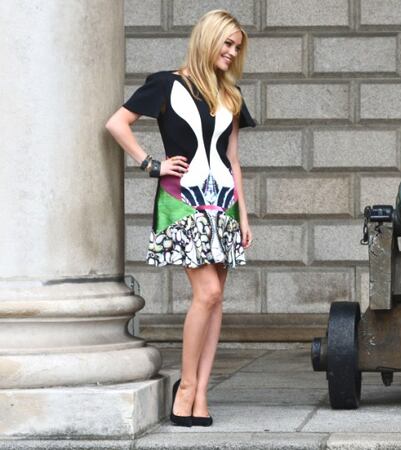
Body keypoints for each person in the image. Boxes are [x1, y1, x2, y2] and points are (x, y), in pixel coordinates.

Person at [105, 10, 255, 427]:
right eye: (227, 43)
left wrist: (244, 214)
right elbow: (117, 124)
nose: (231, 52)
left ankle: (201, 391)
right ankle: (185, 387)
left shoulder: (231, 94)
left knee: (217, 298)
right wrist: (150, 164)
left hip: (223, 203)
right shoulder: (166, 84)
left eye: (237, 47)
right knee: (206, 293)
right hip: (182, 200)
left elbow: (233, 160)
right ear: (208, 39)